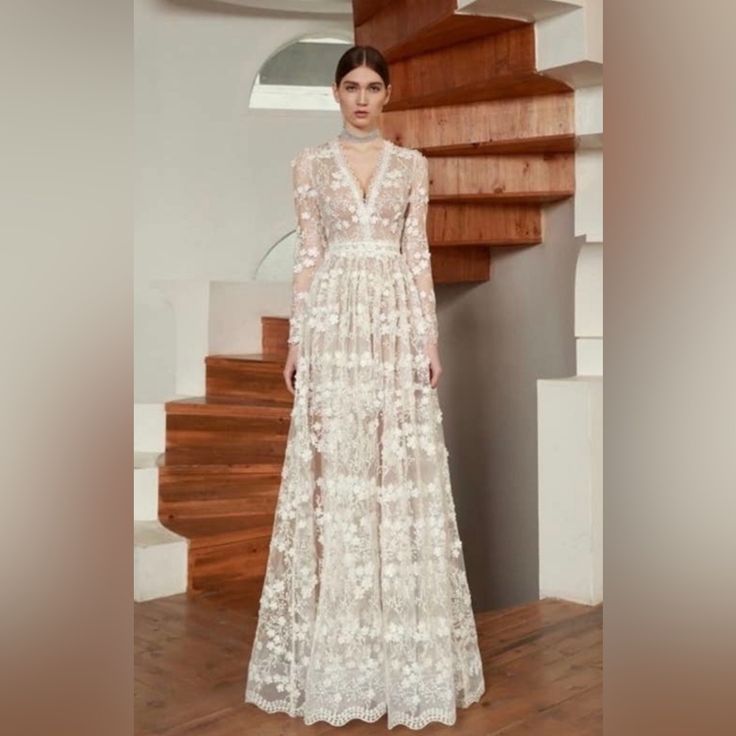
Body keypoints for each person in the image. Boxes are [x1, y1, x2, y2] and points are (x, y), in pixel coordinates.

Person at [244, 45, 485, 729]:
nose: (361, 98)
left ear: (387, 94)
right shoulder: (310, 164)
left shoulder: (412, 166)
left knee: (396, 467)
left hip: (394, 320)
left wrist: (429, 340)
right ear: (334, 92)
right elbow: (309, 253)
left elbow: (418, 254)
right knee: (340, 472)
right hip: (334, 322)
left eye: (373, 87)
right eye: (350, 86)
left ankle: (401, 651)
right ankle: (343, 650)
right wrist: (298, 340)